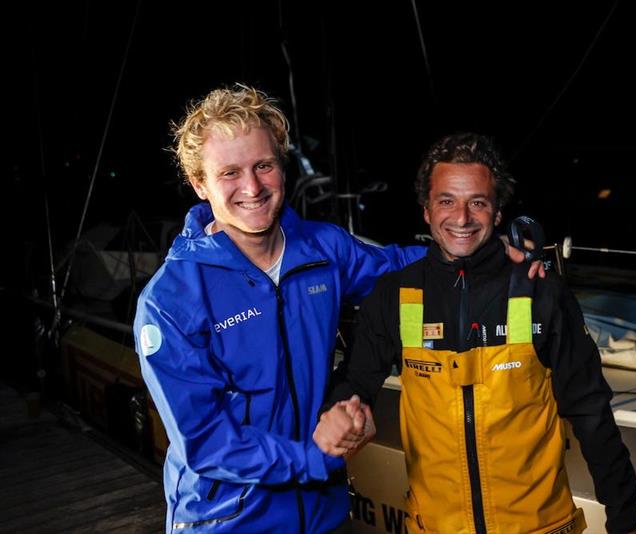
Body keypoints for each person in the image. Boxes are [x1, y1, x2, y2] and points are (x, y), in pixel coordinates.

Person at [134, 86, 544, 533]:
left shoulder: (321, 249)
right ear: (200, 184)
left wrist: (487, 249)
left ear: (281, 168)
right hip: (229, 520)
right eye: (229, 173)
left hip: (323, 514)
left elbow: (397, 267)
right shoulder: (169, 301)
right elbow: (208, 442)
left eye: (263, 166)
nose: (251, 187)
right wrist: (317, 457)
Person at [315, 133, 636, 534]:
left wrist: (624, 523)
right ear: (426, 210)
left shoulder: (541, 292)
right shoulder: (395, 295)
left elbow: (593, 417)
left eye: (478, 202)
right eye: (447, 201)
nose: (462, 217)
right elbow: (355, 381)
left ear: (497, 212)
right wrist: (338, 410)